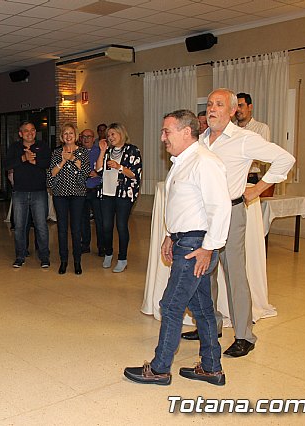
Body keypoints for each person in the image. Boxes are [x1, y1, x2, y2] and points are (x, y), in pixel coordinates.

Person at [181, 88, 295, 358]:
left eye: (219, 104)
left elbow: (285, 159)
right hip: (203, 215)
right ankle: (211, 325)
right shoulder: (200, 140)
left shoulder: (245, 139)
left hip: (231, 213)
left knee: (234, 274)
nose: (212, 109)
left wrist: (257, 189)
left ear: (232, 111)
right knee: (203, 273)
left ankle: (245, 335)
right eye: (209, 104)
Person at [124, 109, 231, 386]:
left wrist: (208, 249)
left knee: (170, 306)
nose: (162, 137)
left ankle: (160, 369)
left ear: (186, 132)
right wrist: (170, 235)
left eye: (167, 131)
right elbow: (185, 206)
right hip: (186, 240)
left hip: (196, 246)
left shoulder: (205, 162)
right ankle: (211, 367)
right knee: (203, 308)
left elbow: (220, 208)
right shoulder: (183, 161)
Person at [5, 121, 51, 269]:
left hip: (39, 191)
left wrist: (34, 161)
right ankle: (20, 256)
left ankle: (44, 256)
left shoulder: (42, 146)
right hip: (20, 192)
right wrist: (23, 159)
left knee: (41, 226)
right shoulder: (14, 147)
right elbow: (7, 164)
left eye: (32, 130)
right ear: (20, 134)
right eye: (26, 131)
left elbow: (47, 162)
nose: (29, 133)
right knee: (19, 226)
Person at [97, 123, 142, 273]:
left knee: (121, 226)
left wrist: (119, 167)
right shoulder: (108, 150)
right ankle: (108, 253)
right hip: (107, 193)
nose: (110, 137)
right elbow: (98, 169)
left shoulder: (132, 150)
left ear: (121, 134)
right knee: (106, 226)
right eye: (109, 135)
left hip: (123, 194)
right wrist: (102, 151)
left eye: (113, 134)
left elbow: (134, 174)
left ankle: (122, 258)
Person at [47, 123, 90, 275]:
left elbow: (85, 172)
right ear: (61, 137)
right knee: (62, 229)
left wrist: (72, 158)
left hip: (77, 194)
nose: (68, 136)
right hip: (60, 195)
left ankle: (77, 262)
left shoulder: (83, 152)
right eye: (65, 133)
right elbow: (51, 174)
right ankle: (63, 261)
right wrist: (63, 161)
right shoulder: (56, 152)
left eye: (71, 133)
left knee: (76, 229)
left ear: (75, 136)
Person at [79, 128, 106, 256]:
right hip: (82, 190)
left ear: (93, 138)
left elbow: (106, 169)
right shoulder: (77, 152)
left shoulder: (100, 151)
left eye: (89, 136)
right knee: (83, 220)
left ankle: (102, 247)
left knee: (99, 221)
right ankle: (85, 245)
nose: (86, 139)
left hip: (96, 190)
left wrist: (98, 174)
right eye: (83, 136)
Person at [235, 92, 271, 184]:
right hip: (233, 177)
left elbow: (264, 156)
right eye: (235, 106)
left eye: (241, 105)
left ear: (250, 107)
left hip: (251, 178)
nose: (237, 109)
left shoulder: (261, 128)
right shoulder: (229, 129)